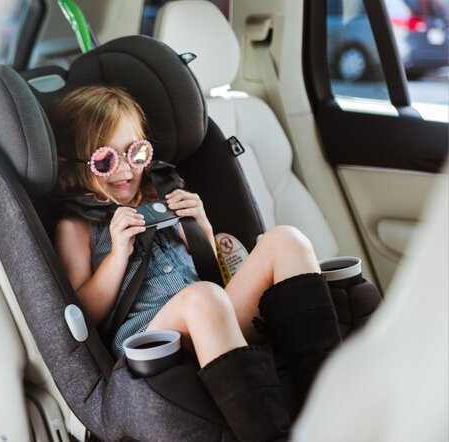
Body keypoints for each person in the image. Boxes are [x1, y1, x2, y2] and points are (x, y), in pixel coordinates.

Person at [50, 85, 343, 440]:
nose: (125, 169)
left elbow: (209, 275)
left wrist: (200, 230)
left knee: (287, 240)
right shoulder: (77, 226)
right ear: (73, 165)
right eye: (106, 161)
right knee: (203, 297)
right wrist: (117, 255)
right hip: (150, 337)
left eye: (136, 153)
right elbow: (85, 314)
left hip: (211, 313)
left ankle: (333, 399)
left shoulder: (162, 196)